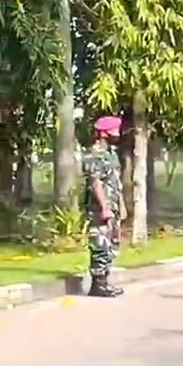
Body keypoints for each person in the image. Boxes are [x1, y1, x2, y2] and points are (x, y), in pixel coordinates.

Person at [81, 115, 126, 297]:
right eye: (114, 129)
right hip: (99, 209)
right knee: (100, 244)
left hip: (112, 205)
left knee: (111, 244)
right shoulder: (93, 154)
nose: (118, 133)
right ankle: (98, 284)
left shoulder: (111, 154)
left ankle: (104, 282)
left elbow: (116, 182)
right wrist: (104, 207)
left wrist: (121, 204)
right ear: (103, 132)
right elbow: (95, 183)